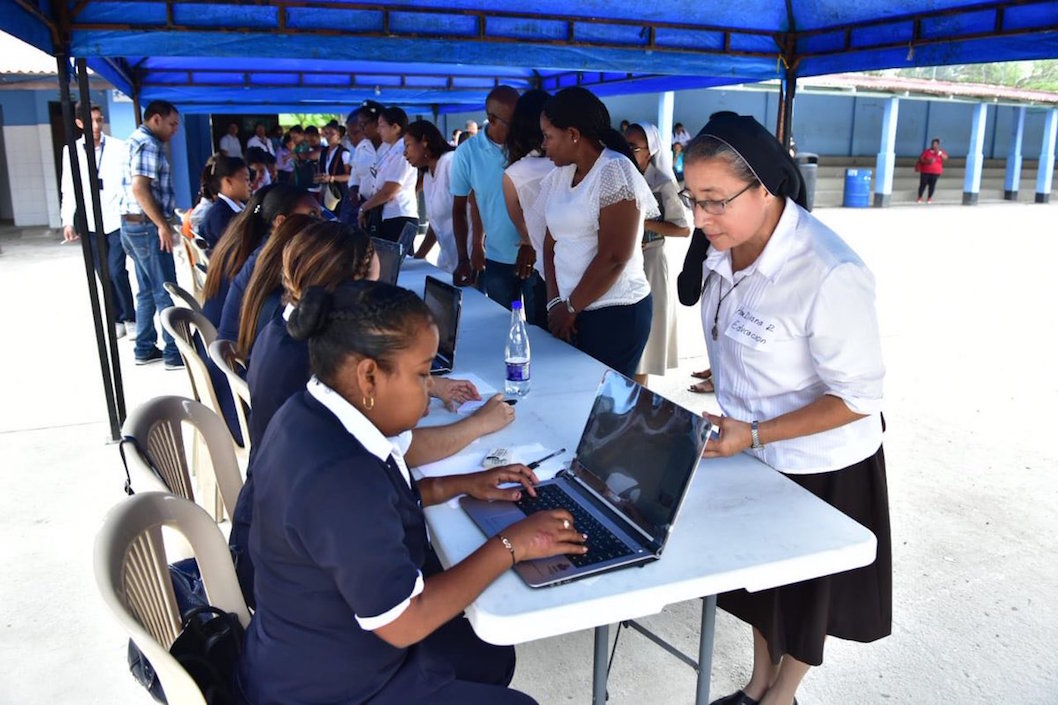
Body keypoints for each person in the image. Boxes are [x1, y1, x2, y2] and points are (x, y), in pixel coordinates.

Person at [235, 279, 585, 704]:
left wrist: (466, 484)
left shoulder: (309, 412)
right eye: (422, 375)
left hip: (304, 651)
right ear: (368, 376)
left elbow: (378, 500)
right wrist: (512, 544)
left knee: (489, 657)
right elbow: (404, 621)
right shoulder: (341, 477)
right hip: (333, 688)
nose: (428, 392)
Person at [678, 114, 890, 705]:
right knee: (760, 586)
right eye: (692, 200)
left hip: (821, 463)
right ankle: (757, 684)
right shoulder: (727, 245)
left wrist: (755, 431)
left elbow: (858, 397)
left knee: (803, 598)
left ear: (766, 187)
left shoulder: (828, 272)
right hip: (751, 449)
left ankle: (781, 697)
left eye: (715, 201)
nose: (699, 218)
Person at [533, 86, 656, 379]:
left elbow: (615, 255)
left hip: (613, 312)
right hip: (569, 311)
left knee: (599, 403)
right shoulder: (560, 175)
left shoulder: (614, 170)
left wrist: (571, 306)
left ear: (573, 134)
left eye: (549, 136)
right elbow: (550, 244)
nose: (543, 144)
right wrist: (555, 303)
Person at [452, 87, 544, 322]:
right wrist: (468, 252)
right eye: (513, 123)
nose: (520, 129)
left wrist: (530, 242)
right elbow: (465, 205)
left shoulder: (532, 147)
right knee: (500, 328)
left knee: (540, 331)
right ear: (491, 120)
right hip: (497, 259)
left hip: (538, 259)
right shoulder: (467, 153)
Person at [60, 101, 136, 339]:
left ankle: (130, 317)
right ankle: (115, 318)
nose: (96, 125)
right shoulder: (70, 151)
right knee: (102, 274)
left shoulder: (118, 147)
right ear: (79, 123)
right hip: (91, 222)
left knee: (116, 270)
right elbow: (69, 188)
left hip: (115, 218)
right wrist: (67, 221)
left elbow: (128, 183)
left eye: (100, 120)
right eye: (91, 121)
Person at [625, 122, 691, 386]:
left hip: (651, 261)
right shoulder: (624, 176)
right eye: (625, 144)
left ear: (649, 151)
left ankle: (640, 394)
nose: (628, 151)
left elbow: (683, 229)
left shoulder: (663, 184)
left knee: (646, 336)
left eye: (634, 147)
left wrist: (643, 222)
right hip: (627, 261)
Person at [119, 99, 183, 369]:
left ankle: (144, 348)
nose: (174, 130)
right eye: (172, 124)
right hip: (146, 227)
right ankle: (173, 351)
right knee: (164, 290)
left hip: (132, 226)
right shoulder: (149, 144)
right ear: (155, 119)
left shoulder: (134, 139)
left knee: (145, 290)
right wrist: (161, 225)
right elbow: (139, 188)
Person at [217, 187, 320, 348]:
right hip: (239, 360)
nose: (321, 222)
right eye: (312, 215)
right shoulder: (279, 263)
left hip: (235, 355)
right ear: (281, 221)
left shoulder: (267, 252)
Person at [501, 89, 553, 324]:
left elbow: (527, 231)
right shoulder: (574, 165)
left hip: (543, 271)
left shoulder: (514, 174)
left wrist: (528, 243)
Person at [404, 120, 460, 272]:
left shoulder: (451, 162)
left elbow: (470, 212)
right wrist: (418, 257)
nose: (405, 153)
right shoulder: (428, 175)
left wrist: (470, 255)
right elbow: (436, 225)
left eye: (408, 145)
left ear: (424, 141)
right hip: (448, 261)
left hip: (470, 260)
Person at [357, 106, 418, 245]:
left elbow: (389, 191)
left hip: (399, 216)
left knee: (398, 264)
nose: (379, 130)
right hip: (388, 216)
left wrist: (364, 207)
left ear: (395, 127)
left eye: (382, 126)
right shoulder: (391, 150)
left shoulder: (402, 151)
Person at [198, 155, 250, 250]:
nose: (250, 184)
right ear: (228, 181)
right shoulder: (220, 216)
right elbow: (238, 249)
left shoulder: (242, 207)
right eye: (246, 179)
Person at [347, 100, 384, 225]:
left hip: (390, 210)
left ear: (378, 123)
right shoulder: (361, 148)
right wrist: (353, 191)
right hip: (366, 210)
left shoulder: (395, 147)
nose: (363, 130)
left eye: (364, 125)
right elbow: (355, 176)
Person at [316, 120, 351, 213]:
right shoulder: (322, 152)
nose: (328, 136)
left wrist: (331, 178)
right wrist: (319, 178)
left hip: (339, 192)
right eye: (326, 133)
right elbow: (320, 170)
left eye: (332, 133)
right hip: (325, 190)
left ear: (339, 134)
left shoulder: (344, 153)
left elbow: (349, 176)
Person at [916, 138, 948, 203]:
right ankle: (920, 197)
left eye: (936, 144)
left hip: (936, 172)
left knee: (932, 185)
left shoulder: (941, 152)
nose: (934, 145)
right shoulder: (927, 151)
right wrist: (928, 161)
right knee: (923, 184)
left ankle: (929, 198)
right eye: (933, 144)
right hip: (925, 171)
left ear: (938, 145)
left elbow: (945, 158)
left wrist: (939, 153)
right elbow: (921, 159)